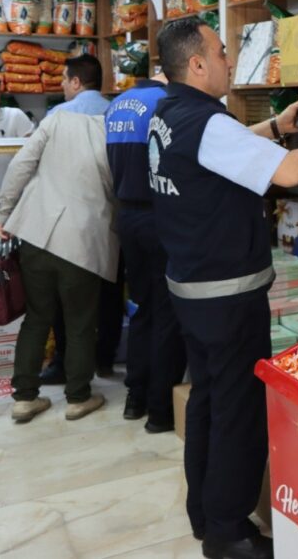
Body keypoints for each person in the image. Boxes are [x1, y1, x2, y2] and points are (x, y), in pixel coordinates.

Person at [150, 17, 298, 559]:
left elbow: (219, 153)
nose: (228, 60)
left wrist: (277, 124)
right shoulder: (205, 119)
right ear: (196, 64)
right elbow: (290, 173)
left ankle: (204, 513)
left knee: (208, 399)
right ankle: (229, 532)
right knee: (238, 410)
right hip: (226, 295)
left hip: (192, 288)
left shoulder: (171, 113)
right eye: (222, 52)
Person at [0, 109, 118, 423]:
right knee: (80, 322)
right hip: (83, 240)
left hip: (36, 232)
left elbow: (20, 166)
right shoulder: (116, 135)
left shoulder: (56, 120)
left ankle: (24, 398)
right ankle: (78, 398)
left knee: (37, 318)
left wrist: (4, 212)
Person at [105, 72, 187, 433]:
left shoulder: (116, 105)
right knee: (167, 311)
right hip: (159, 216)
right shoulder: (164, 103)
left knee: (140, 308)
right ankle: (160, 411)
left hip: (127, 216)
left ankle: (134, 397)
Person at [38, 54, 124, 384]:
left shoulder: (58, 115)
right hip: (114, 216)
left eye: (63, 79)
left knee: (66, 294)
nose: (62, 85)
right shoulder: (118, 113)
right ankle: (105, 359)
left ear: (76, 82)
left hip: (71, 218)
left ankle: (66, 361)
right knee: (111, 290)